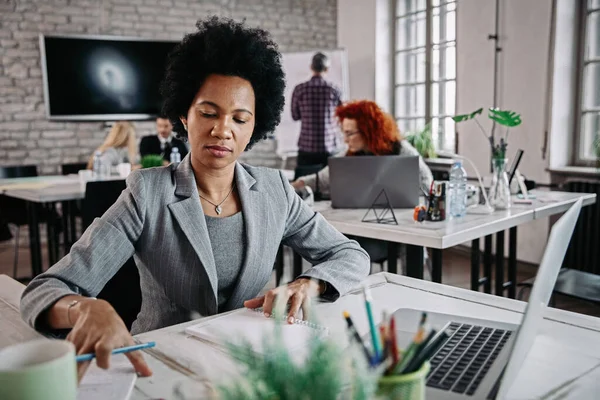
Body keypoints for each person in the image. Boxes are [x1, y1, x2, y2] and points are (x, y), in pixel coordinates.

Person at [20, 17, 369, 379]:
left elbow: (348, 254)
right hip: (160, 366)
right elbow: (45, 289)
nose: (222, 130)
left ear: (255, 126)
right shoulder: (147, 193)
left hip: (247, 367)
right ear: (185, 116)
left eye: (240, 118)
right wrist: (82, 309)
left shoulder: (274, 190)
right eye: (208, 113)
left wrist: (307, 283)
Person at [292, 100, 433, 196]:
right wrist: (291, 187)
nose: (345, 140)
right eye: (344, 133)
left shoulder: (401, 150)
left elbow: (427, 184)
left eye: (350, 134)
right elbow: (320, 180)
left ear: (368, 132)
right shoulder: (348, 155)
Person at [291, 52, 342, 179]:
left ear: (311, 67)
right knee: (330, 185)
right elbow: (342, 117)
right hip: (329, 147)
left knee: (302, 186)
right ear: (327, 69)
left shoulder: (300, 89)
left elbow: (295, 116)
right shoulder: (334, 90)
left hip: (306, 147)